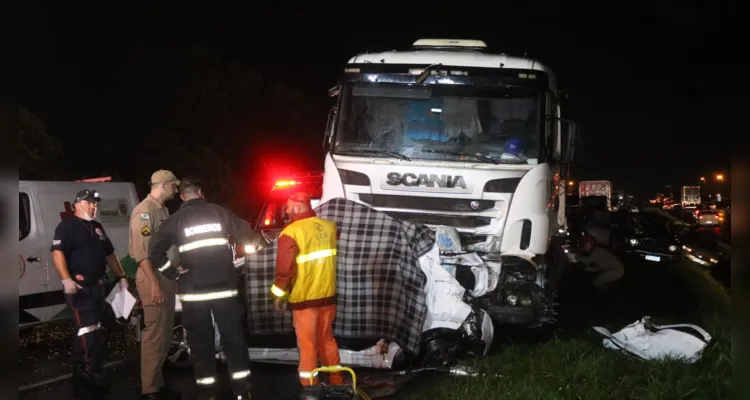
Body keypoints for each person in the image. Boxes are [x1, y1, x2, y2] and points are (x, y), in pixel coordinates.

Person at [149, 178, 260, 400]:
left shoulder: (176, 220)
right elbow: (247, 234)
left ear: (182, 197)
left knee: (200, 344)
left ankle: (208, 393)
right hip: (224, 290)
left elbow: (155, 251)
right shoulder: (220, 213)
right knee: (233, 340)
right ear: (201, 193)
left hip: (194, 292)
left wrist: (172, 272)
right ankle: (243, 390)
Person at [50, 189, 129, 392]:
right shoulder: (67, 226)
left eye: (95, 203)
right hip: (80, 288)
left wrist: (121, 276)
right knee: (88, 330)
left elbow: (110, 254)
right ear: (76, 204)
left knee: (90, 330)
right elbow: (57, 252)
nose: (92, 206)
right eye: (87, 203)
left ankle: (83, 372)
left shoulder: (96, 227)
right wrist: (66, 279)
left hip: (98, 287)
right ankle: (91, 373)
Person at [270, 192, 344, 387]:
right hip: (328, 297)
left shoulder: (291, 232)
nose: (285, 210)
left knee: (308, 345)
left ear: (297, 207)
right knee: (327, 339)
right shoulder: (330, 227)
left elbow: (285, 269)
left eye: (287, 206)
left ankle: (310, 387)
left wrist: (278, 293)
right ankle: (336, 381)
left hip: (304, 300)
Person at [128, 169, 181, 400]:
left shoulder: (161, 209)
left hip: (164, 275)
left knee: (164, 333)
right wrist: (154, 285)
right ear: (162, 185)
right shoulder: (145, 211)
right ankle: (149, 389)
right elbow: (142, 254)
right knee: (155, 335)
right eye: (173, 185)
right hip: (153, 278)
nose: (176, 189)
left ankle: (157, 383)